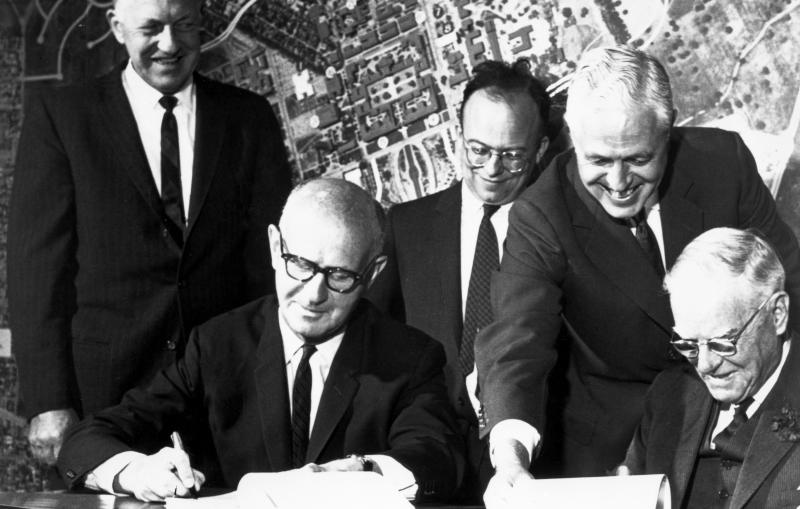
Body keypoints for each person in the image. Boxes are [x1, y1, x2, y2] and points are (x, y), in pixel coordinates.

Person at [476, 45, 800, 506]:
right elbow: (515, 343)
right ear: (573, 138)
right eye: (599, 161)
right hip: (620, 444)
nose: (619, 180)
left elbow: (791, 280)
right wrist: (510, 459)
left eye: (637, 158)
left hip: (751, 407)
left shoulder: (721, 162)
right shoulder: (541, 214)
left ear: (667, 134)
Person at [56, 179, 465, 503]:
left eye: (339, 276)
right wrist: (137, 473)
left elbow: (438, 459)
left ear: (372, 275)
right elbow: (86, 440)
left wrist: (365, 471)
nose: (313, 294)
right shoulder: (218, 344)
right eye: (300, 264)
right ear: (274, 248)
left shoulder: (410, 358)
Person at [7, 0, 292, 465]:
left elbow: (270, 266)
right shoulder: (63, 118)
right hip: (104, 404)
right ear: (117, 28)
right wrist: (47, 401)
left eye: (183, 25)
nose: (169, 44)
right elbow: (35, 272)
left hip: (225, 401)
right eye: (151, 28)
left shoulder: (249, 118)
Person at [368, 60, 550, 502]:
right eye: (478, 150)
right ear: (458, 138)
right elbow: (372, 340)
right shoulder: (406, 227)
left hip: (534, 465)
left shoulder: (556, 230)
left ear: (541, 149)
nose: (491, 169)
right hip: (429, 466)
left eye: (512, 156)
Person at [623, 227, 800, 509]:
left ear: (777, 314)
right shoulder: (670, 394)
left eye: (723, 343)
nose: (705, 365)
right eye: (688, 344)